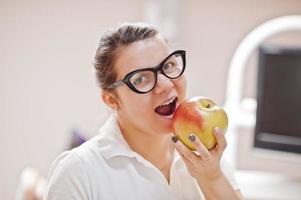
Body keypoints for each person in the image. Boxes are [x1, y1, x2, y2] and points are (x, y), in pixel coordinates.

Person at [44, 22, 243, 200]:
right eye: (140, 79)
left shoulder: (205, 157)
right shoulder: (78, 172)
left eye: (169, 65)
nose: (165, 84)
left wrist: (212, 178)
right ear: (112, 99)